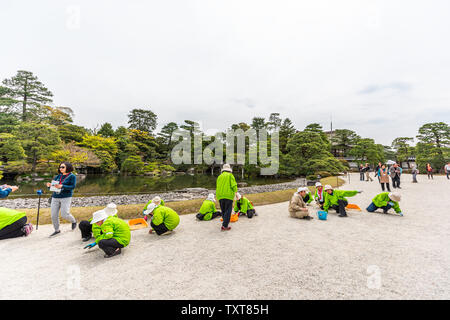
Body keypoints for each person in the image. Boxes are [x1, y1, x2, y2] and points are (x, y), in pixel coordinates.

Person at [46, 162, 77, 237]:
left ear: (68, 167)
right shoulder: (58, 176)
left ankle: (73, 221)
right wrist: (49, 186)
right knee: (53, 215)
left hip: (66, 197)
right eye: (60, 167)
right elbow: (53, 187)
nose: (61, 168)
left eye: (63, 167)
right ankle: (57, 230)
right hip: (55, 197)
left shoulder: (72, 176)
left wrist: (62, 186)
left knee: (64, 214)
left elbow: (72, 187)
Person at [216, 164, 237, 231]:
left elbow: (217, 186)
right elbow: (234, 185)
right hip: (228, 195)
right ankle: (225, 226)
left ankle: (224, 223)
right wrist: (235, 192)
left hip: (220, 195)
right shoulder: (230, 175)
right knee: (228, 210)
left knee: (223, 210)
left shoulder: (219, 176)